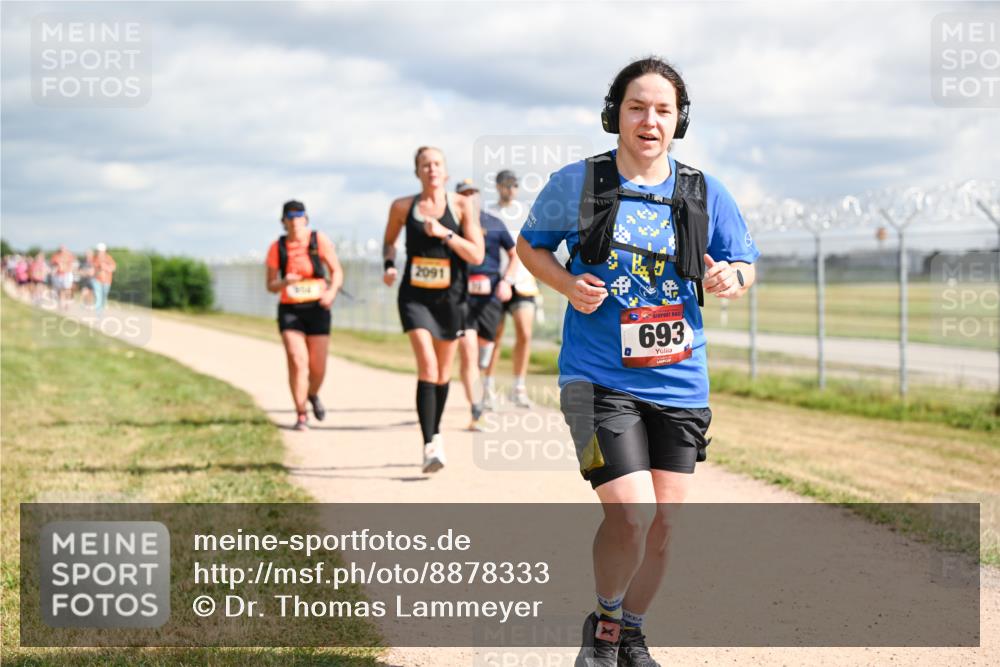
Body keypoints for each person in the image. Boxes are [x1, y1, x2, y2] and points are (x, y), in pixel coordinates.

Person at [516, 57, 760, 666]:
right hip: (597, 376)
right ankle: (603, 627)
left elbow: (745, 263)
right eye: (636, 107)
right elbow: (530, 246)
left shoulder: (702, 191)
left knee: (665, 525)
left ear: (678, 121)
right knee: (631, 511)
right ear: (614, 115)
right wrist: (567, 284)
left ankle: (631, 634)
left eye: (663, 110)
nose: (649, 120)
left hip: (680, 378)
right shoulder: (579, 182)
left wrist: (733, 276)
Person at [382, 147, 484, 473]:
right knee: (427, 366)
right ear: (417, 172)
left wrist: (446, 233)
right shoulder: (402, 207)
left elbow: (476, 255)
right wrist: (388, 264)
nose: (431, 169)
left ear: (446, 171)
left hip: (450, 299)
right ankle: (429, 445)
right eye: (425, 165)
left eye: (437, 163)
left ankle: (435, 433)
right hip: (414, 297)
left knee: (442, 373)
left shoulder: (462, 206)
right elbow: (389, 242)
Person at [265, 200, 344, 431]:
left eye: (299, 216)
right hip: (290, 310)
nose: (294, 221)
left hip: (318, 308)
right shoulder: (276, 247)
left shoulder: (318, 240)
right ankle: (301, 414)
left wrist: (331, 292)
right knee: (297, 361)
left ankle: (312, 393)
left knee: (317, 367)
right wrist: (283, 282)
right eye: (290, 217)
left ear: (306, 219)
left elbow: (337, 271)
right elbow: (270, 285)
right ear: (283, 222)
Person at [454, 178, 516, 430]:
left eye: (472, 193)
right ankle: (476, 410)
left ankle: (481, 384)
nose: (469, 197)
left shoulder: (494, 223)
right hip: (461, 296)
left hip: (490, 297)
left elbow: (515, 254)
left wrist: (507, 282)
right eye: (463, 194)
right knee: (468, 351)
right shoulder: (453, 225)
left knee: (483, 353)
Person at [484, 169, 538, 408]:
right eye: (506, 185)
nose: (510, 189)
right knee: (494, 337)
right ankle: (487, 388)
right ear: (497, 187)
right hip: (496, 283)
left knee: (525, 334)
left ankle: (518, 387)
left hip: (523, 282)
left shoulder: (525, 213)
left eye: (514, 185)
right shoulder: (488, 214)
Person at [92, 243, 116, 313]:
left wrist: (106, 267)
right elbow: (94, 268)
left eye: (100, 251)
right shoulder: (95, 258)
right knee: (98, 294)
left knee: (104, 294)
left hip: (107, 280)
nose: (99, 252)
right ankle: (98, 311)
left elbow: (113, 268)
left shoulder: (108, 258)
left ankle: (103, 305)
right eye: (98, 251)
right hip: (97, 280)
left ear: (104, 251)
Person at [50, 245, 77, 309]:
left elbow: (72, 264)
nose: (62, 250)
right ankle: (62, 302)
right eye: (61, 249)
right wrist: (54, 270)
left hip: (67, 273)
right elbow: (53, 264)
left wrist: (72, 270)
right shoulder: (56, 256)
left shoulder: (69, 255)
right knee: (61, 289)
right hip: (59, 274)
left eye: (63, 249)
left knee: (67, 289)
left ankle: (67, 302)